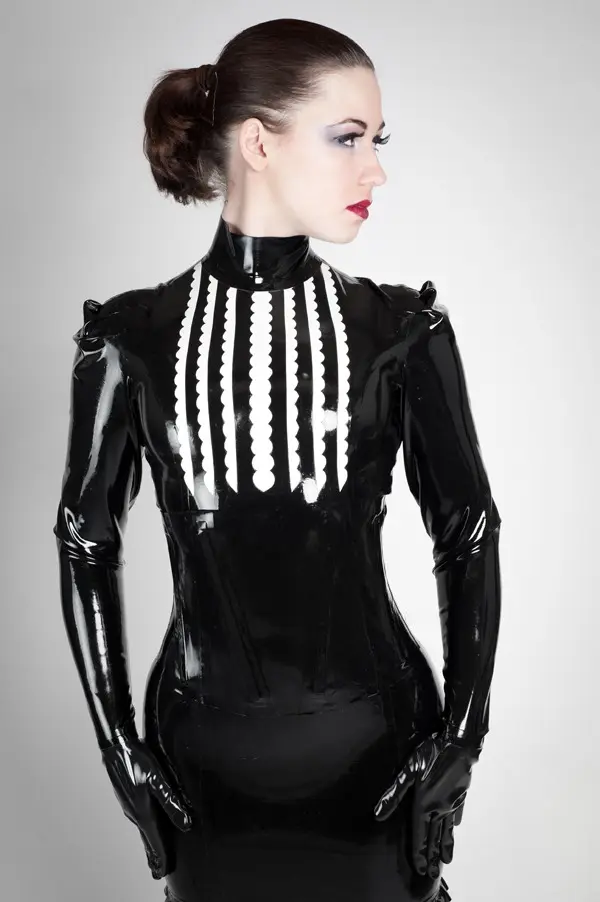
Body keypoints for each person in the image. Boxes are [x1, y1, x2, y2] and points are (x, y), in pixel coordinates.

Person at [53, 17, 502, 902]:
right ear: (258, 144)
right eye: (348, 138)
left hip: (378, 751)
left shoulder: (402, 330)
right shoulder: (130, 337)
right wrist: (116, 745)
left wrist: (462, 735)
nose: (375, 170)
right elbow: (84, 537)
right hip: (203, 765)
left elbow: (468, 527)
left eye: (376, 142)